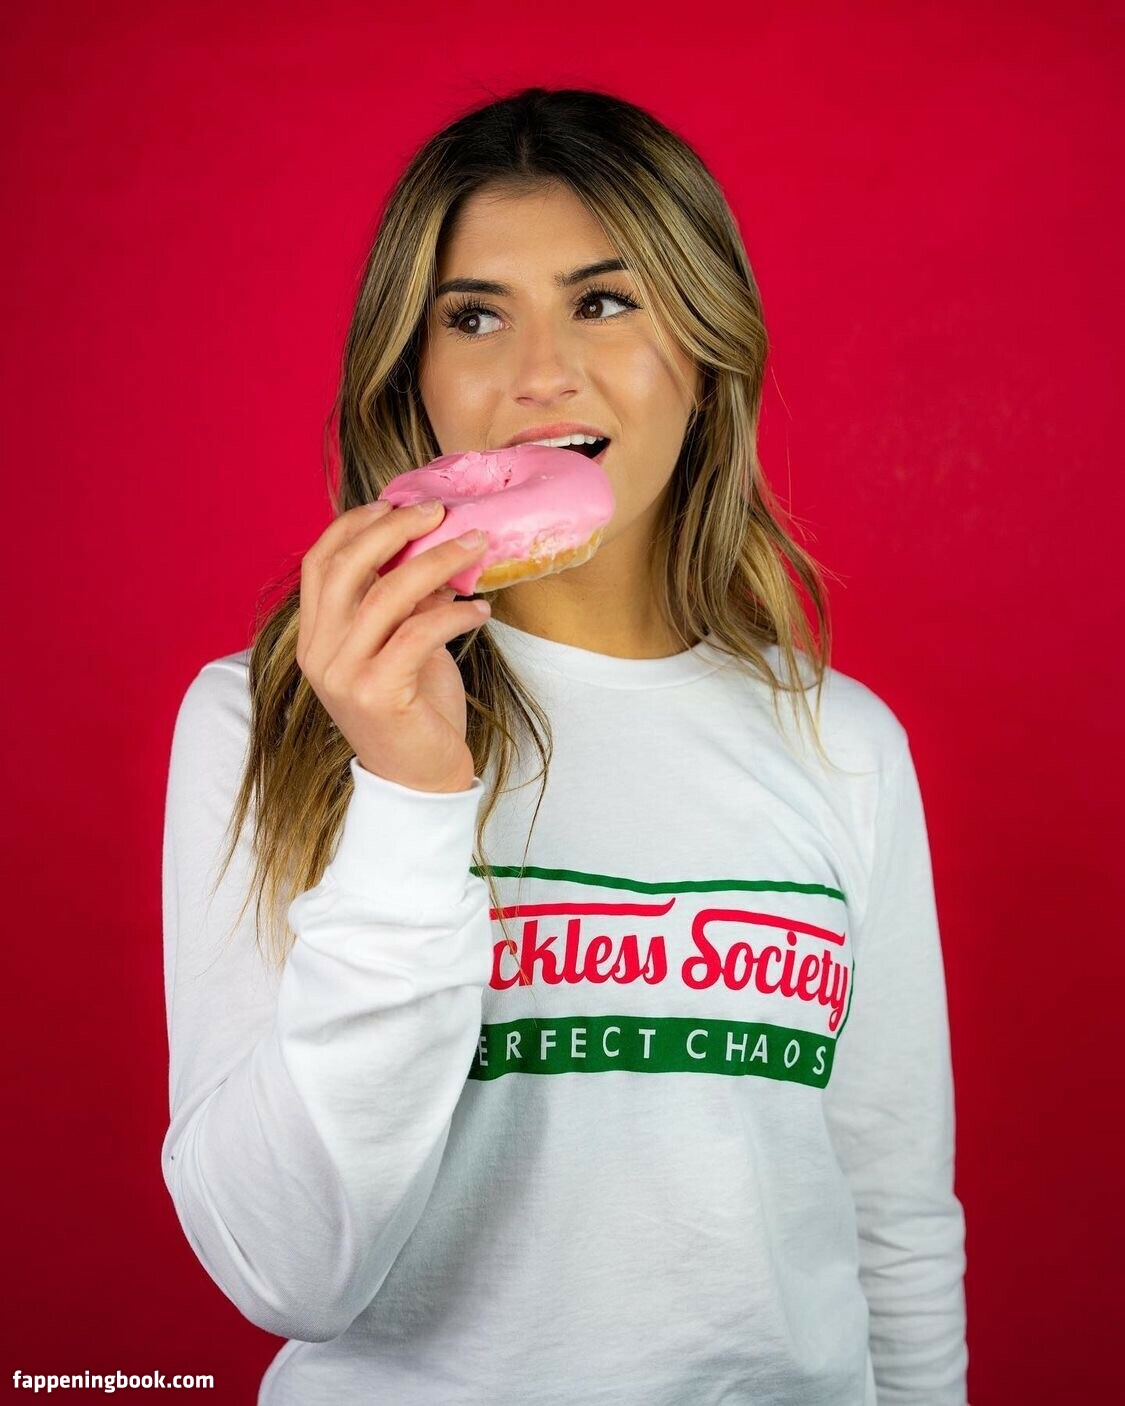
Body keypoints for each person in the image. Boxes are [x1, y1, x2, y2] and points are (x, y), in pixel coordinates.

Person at [160, 86, 969, 1405]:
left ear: (703, 350)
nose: (539, 373)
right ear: (412, 375)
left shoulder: (841, 742)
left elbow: (892, 1214)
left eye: (603, 302)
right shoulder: (272, 716)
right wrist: (407, 791)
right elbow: (287, 1272)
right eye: (474, 317)